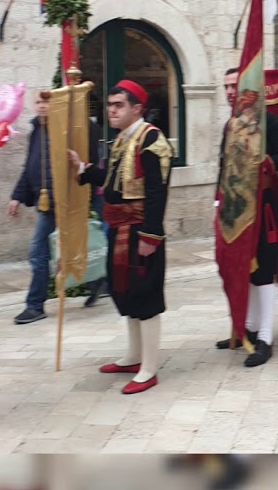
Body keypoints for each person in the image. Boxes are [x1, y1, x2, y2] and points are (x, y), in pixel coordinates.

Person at [71, 80, 172, 393]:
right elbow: (113, 181)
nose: (111, 111)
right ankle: (133, 355)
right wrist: (85, 169)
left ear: (137, 109)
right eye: (110, 105)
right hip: (118, 228)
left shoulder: (152, 139)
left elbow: (157, 192)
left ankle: (149, 367)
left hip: (140, 230)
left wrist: (151, 235)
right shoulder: (121, 140)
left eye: (119, 106)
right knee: (123, 291)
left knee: (145, 294)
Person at [213, 67, 278, 365]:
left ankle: (265, 337)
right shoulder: (229, 127)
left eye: (235, 85)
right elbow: (223, 166)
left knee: (262, 272)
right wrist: (216, 201)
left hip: (263, 210)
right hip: (234, 210)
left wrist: (264, 161)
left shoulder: (270, 123)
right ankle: (244, 327)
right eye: (226, 87)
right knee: (238, 267)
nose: (230, 91)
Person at [8, 90, 100, 325]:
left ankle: (34, 305)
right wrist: (17, 196)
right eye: (38, 102)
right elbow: (30, 165)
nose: (42, 106)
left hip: (62, 201)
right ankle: (96, 280)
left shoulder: (66, 130)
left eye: (46, 102)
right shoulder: (37, 130)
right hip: (45, 201)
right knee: (61, 250)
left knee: (39, 253)